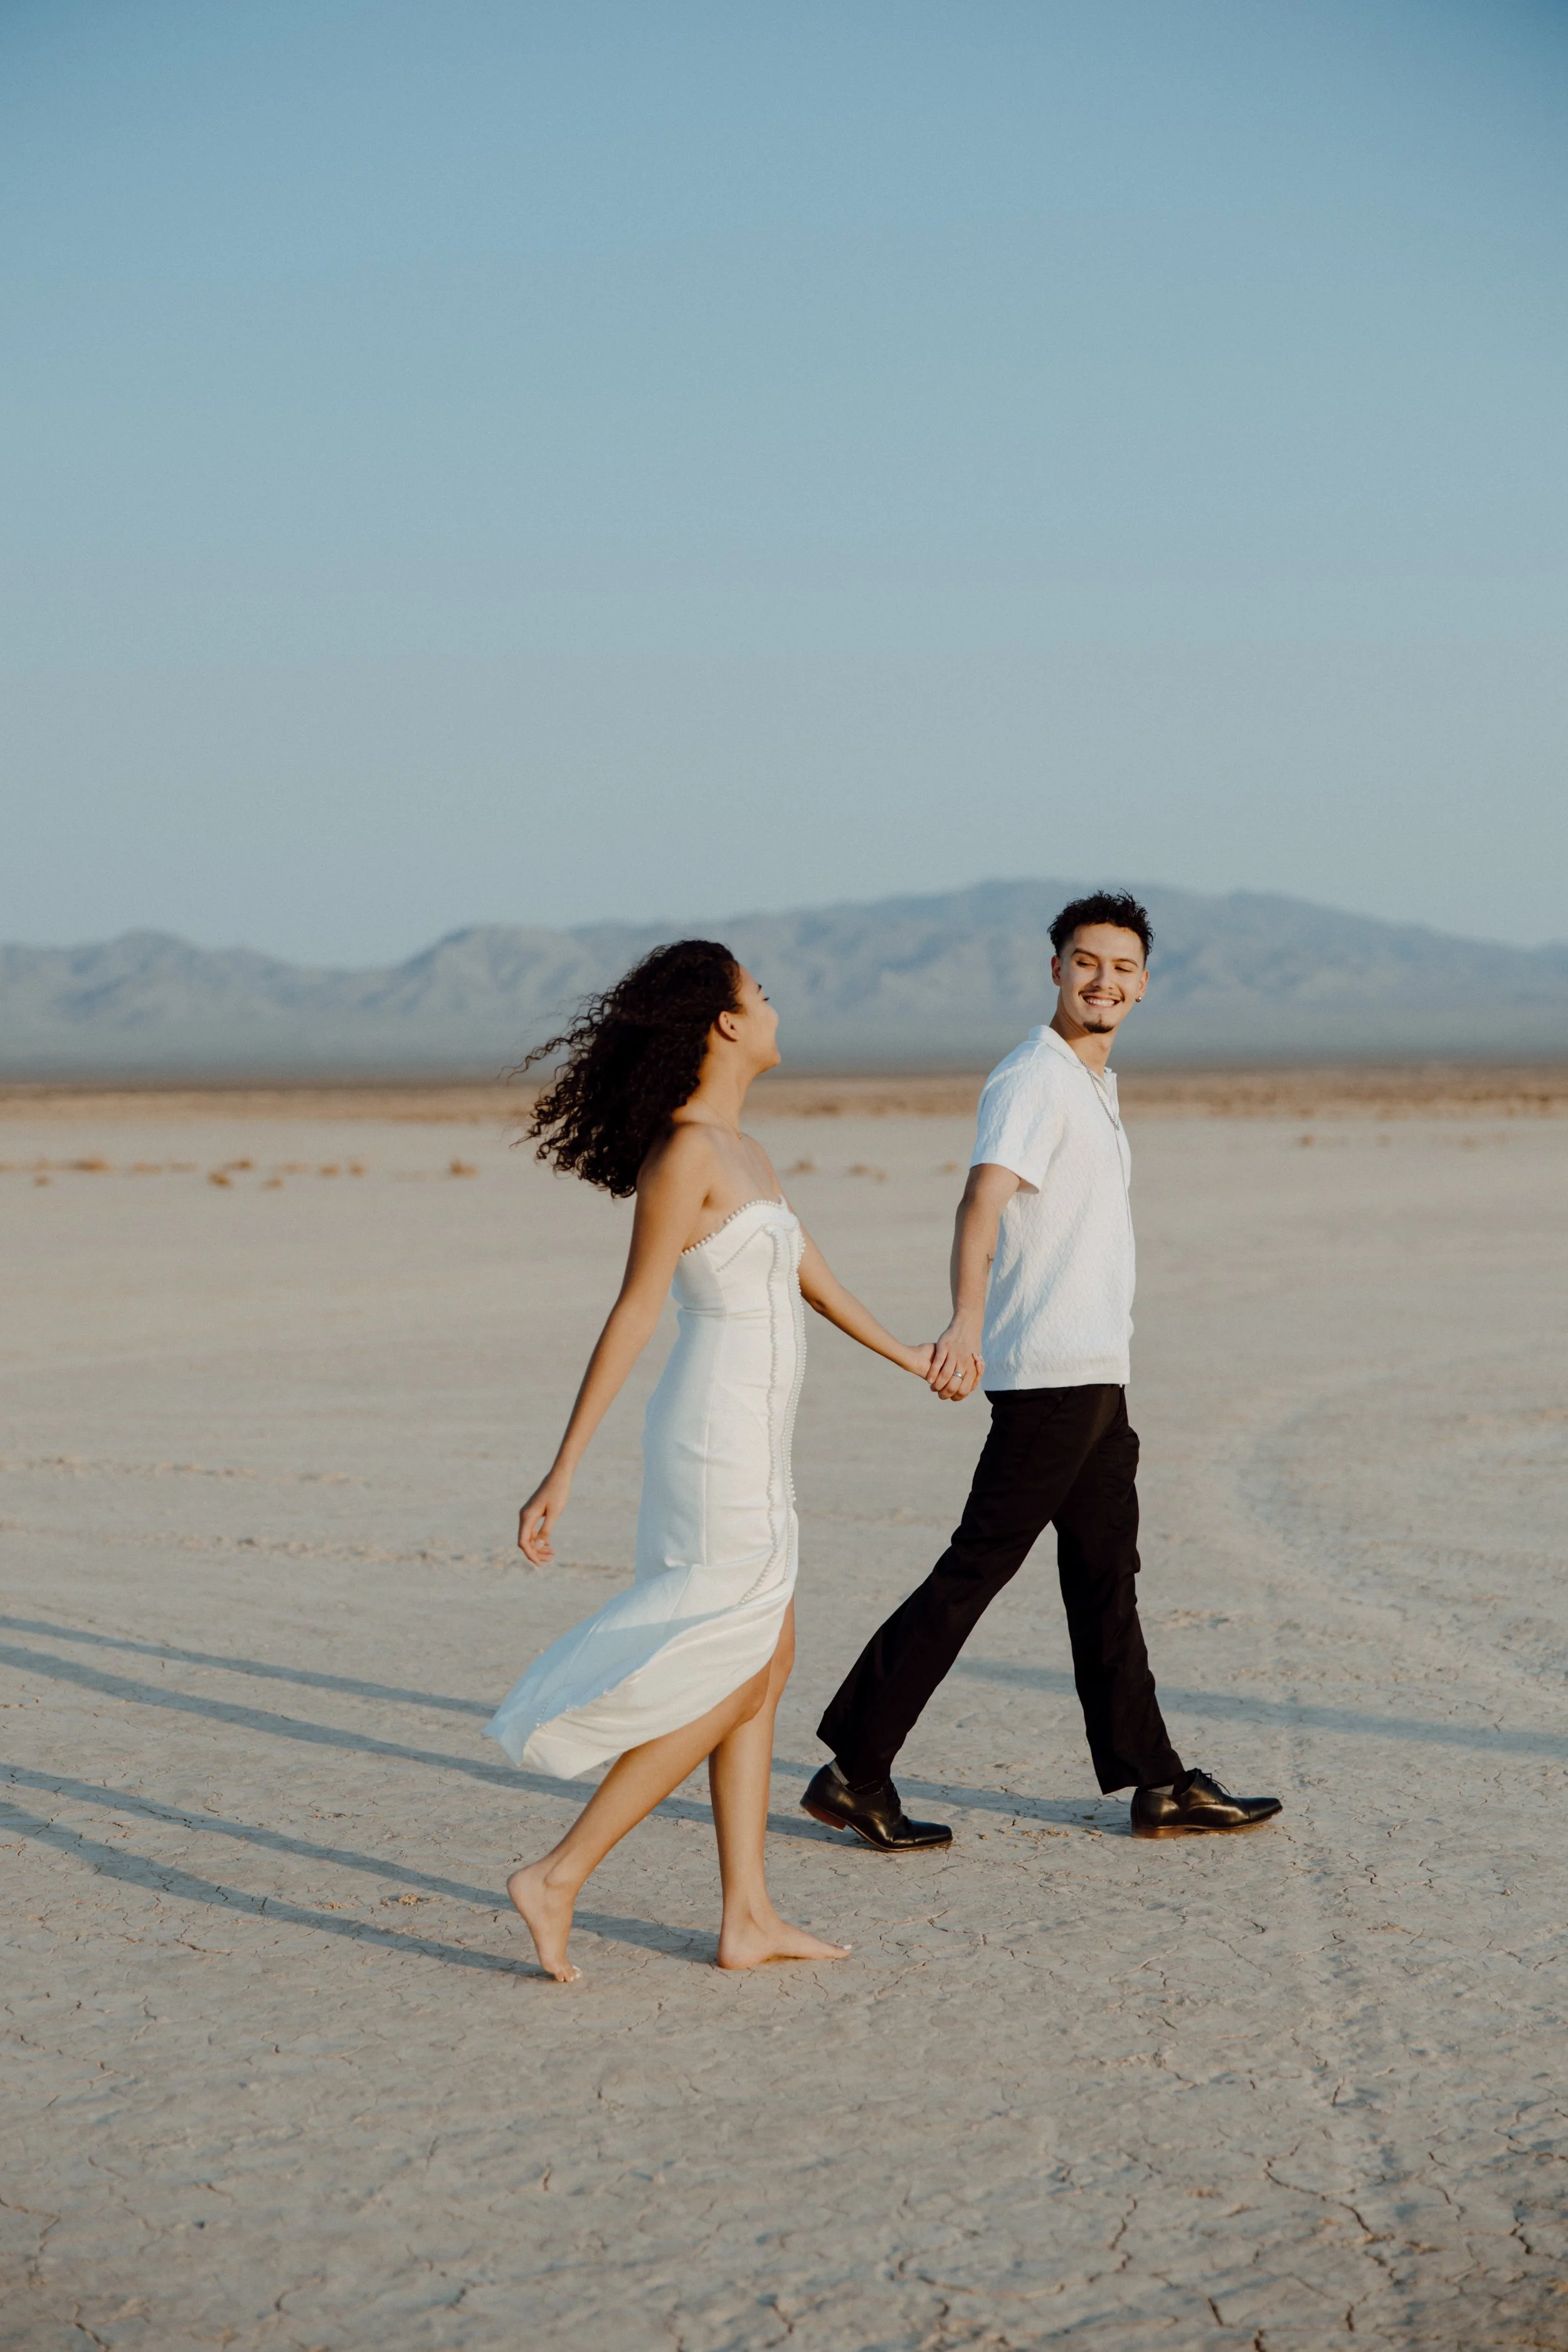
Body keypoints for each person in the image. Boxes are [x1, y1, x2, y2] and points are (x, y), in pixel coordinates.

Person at [487, 940, 955, 1981]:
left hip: (760, 1439)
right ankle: (559, 1872)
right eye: (762, 993)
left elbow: (815, 1282)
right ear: (725, 1023)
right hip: (713, 1443)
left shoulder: (748, 1149)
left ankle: (746, 1914)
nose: (777, 1006)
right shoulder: (687, 1153)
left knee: (769, 1661)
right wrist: (562, 1468)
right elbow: (637, 1309)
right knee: (734, 1665)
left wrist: (912, 1355)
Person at [803, 891, 1282, 1848]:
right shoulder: (1035, 1077)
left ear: (1145, 985)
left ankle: (1155, 1781)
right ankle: (855, 1768)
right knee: (977, 1567)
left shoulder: (1091, 1082)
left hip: (1097, 1375)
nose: (1103, 979)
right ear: (1056, 968)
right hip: (1050, 1377)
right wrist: (965, 1324)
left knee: (1107, 1578)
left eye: (1122, 967)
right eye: (1085, 961)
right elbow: (981, 1201)